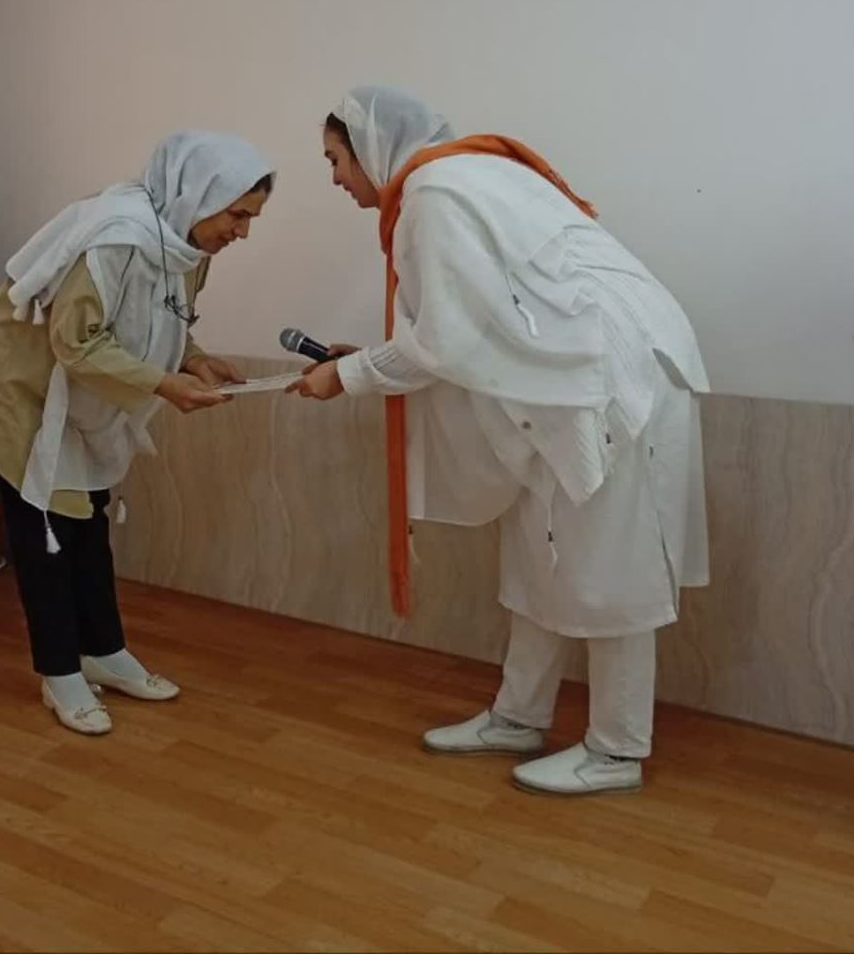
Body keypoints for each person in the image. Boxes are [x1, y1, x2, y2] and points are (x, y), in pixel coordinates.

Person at [290, 86, 710, 795]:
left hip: (611, 383)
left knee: (612, 571)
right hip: (574, 380)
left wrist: (348, 376)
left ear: (370, 148)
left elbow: (447, 340)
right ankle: (518, 717)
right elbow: (471, 324)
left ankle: (615, 751)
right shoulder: (464, 176)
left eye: (335, 158)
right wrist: (362, 361)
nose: (334, 177)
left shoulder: (432, 193)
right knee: (536, 558)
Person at [0, 132, 273, 736]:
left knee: (88, 523)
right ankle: (60, 674)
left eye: (250, 218)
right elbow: (75, 341)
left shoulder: (183, 245)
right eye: (237, 215)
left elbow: (162, 316)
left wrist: (194, 359)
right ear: (198, 196)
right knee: (46, 536)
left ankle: (103, 650)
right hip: (22, 395)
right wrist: (165, 384)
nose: (242, 232)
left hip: (77, 398)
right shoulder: (117, 237)